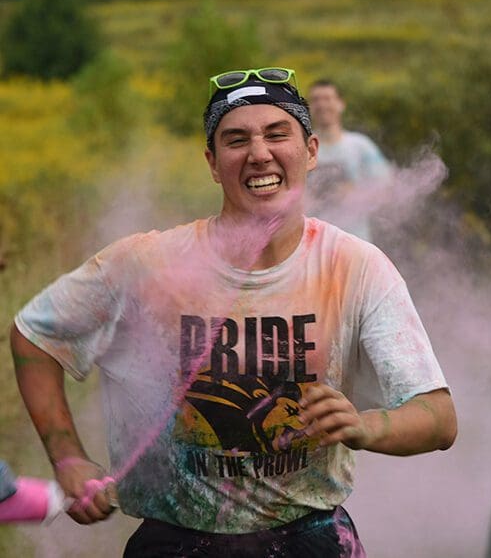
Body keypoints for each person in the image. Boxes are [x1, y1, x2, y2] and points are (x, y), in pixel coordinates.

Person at [10, 67, 457, 557]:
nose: (259, 153)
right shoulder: (147, 262)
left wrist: (367, 426)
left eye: (277, 133)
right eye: (236, 139)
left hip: (310, 538)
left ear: (311, 152)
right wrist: (67, 456)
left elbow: (437, 417)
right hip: (172, 542)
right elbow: (36, 335)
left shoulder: (355, 265)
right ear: (213, 162)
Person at [307, 79, 393, 242]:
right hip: (312, 245)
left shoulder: (361, 146)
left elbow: (387, 188)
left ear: (341, 104)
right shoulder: (302, 147)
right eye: (316, 100)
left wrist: (354, 194)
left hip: (356, 243)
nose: (322, 105)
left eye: (327, 98)